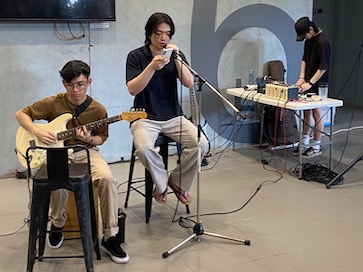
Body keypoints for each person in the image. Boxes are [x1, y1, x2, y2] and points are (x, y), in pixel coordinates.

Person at [15, 60, 129, 264]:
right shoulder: (54, 102)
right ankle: (58, 223)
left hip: (87, 151)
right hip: (58, 153)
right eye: (70, 85)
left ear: (89, 81)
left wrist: (88, 139)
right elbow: (21, 114)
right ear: (64, 84)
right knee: (57, 182)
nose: (76, 90)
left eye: (81, 84)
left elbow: (101, 139)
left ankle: (110, 235)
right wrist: (38, 131)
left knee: (107, 179)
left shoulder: (97, 110)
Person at [125, 12, 209, 204]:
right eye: (159, 33)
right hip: (143, 116)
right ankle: (162, 183)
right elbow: (132, 89)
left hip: (173, 115)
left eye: (168, 34)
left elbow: (189, 83)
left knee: (201, 144)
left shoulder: (175, 55)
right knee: (145, 148)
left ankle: (176, 181)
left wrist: (178, 58)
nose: (163, 38)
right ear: (149, 34)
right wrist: (151, 68)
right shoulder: (136, 56)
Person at [293, 16, 331, 158]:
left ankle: (316, 146)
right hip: (308, 81)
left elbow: (323, 68)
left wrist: (310, 83)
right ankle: (304, 142)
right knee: (306, 112)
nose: (305, 38)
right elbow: (304, 59)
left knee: (317, 112)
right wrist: (302, 78)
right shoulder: (308, 41)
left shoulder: (323, 42)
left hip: (319, 83)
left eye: (305, 35)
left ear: (311, 29)